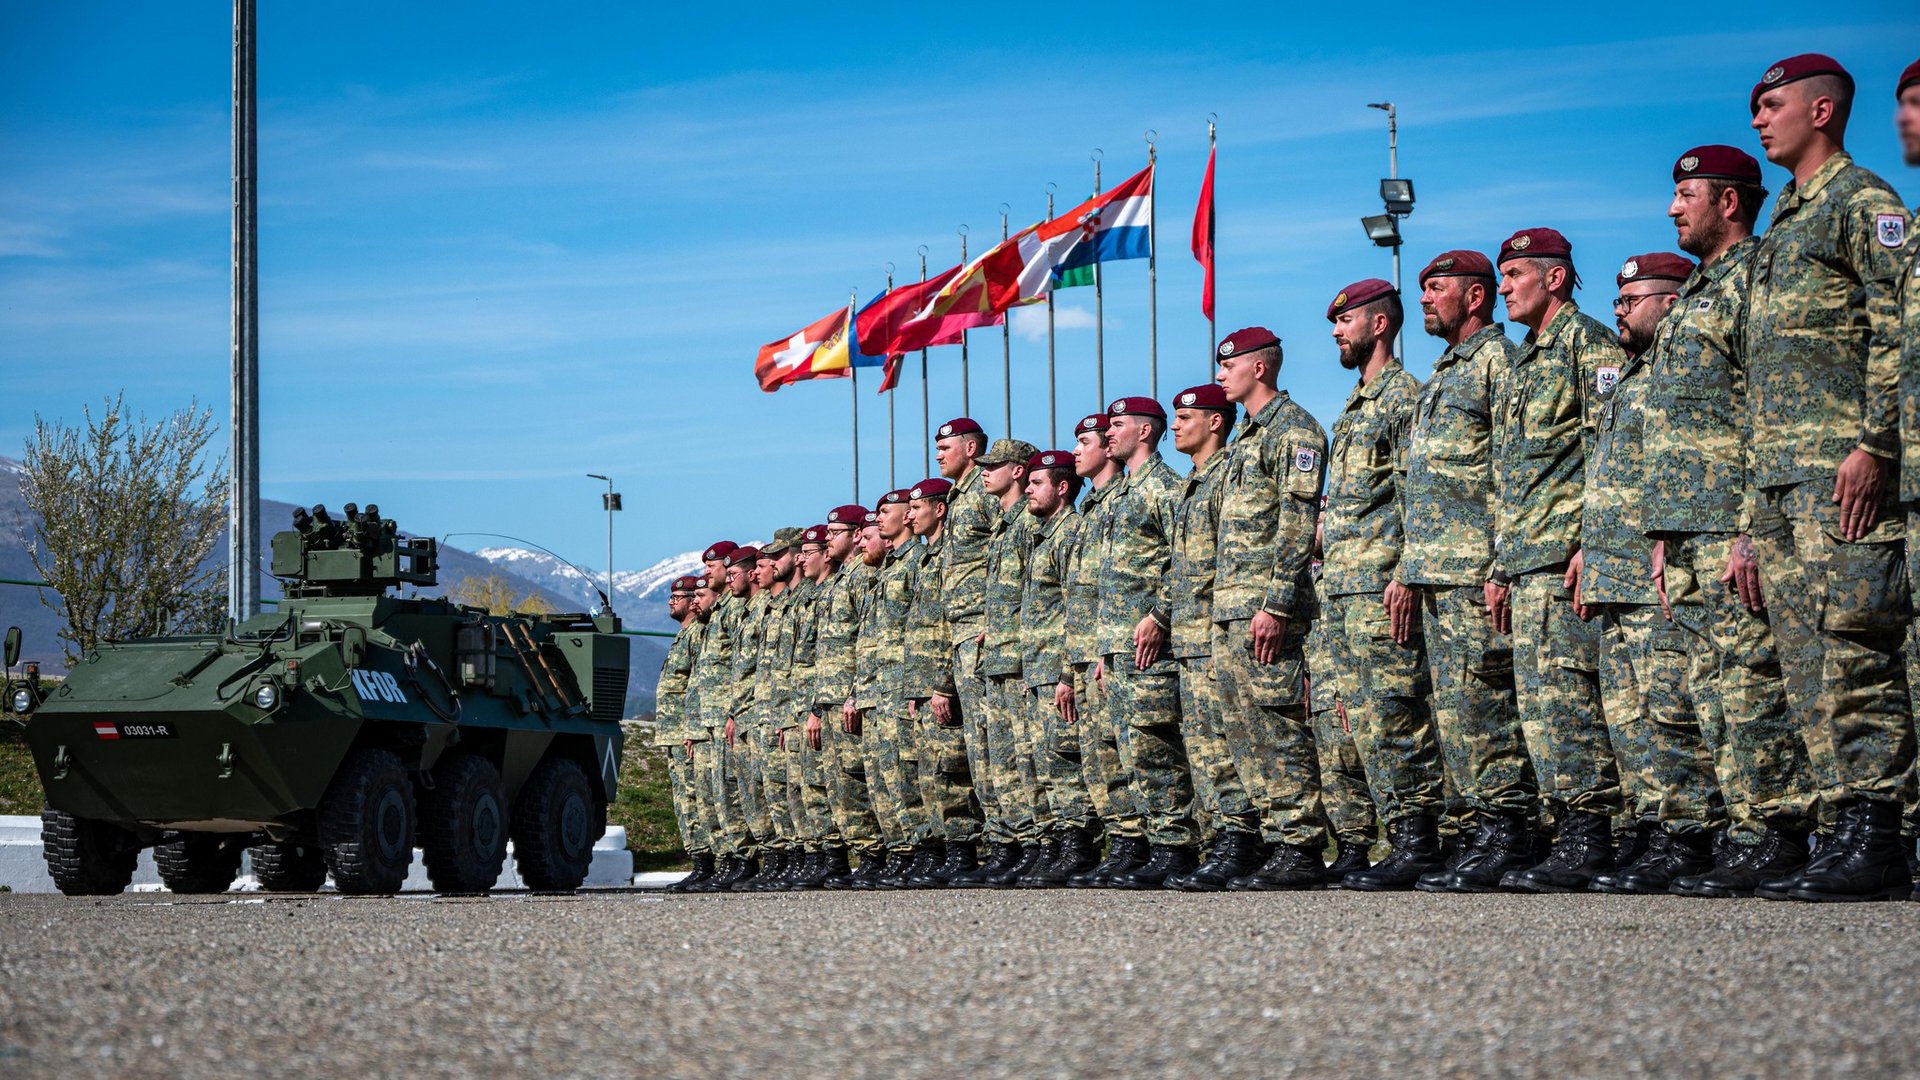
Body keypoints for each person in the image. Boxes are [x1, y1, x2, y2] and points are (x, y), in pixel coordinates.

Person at [1745, 53, 1914, 901]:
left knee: (1858, 647)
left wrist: (1875, 443)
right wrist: (1750, 510)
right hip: (1780, 480)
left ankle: (1882, 832)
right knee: (1808, 664)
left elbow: (1902, 323)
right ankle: (1842, 827)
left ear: (1822, 110)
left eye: (1771, 106)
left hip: (1840, 471)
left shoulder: (1863, 203)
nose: (1758, 120)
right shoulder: (1784, 220)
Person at [1642, 145, 1816, 898]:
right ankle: (1747, 831)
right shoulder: (1700, 296)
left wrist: (1751, 526)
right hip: (1687, 528)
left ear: (1730, 203)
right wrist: (1660, 533)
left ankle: (1780, 834)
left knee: (1752, 684)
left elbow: (1766, 405)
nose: (1674, 208)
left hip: (1730, 523)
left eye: (1687, 194)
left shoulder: (1756, 279)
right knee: (1713, 689)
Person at [1578, 252, 1729, 895]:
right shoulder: (1634, 377)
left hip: (1654, 567)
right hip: (1614, 567)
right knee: (1631, 716)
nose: (1619, 309)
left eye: (1632, 298)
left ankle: (1696, 835)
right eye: (1617, 299)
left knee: (1674, 707)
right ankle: (1659, 829)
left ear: (1671, 301)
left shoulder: (1672, 372)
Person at [1489, 226, 1627, 892]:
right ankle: (1569, 825)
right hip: (1526, 560)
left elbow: (1608, 447)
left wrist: (1590, 541)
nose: (1504, 287)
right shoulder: (1523, 360)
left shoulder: (1590, 345)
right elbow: (1510, 473)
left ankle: (1592, 833)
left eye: (1514, 273)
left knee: (1572, 700)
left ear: (1555, 278)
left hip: (1567, 555)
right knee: (1542, 708)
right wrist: (1498, 565)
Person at [1318, 279, 1446, 890]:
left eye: (1346, 322)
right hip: (1344, 590)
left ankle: (1419, 840)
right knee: (1361, 722)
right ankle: (1393, 836)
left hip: (1380, 586)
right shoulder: (1353, 405)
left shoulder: (1404, 399)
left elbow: (1416, 492)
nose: (1338, 332)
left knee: (1396, 714)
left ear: (1379, 325)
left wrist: (1405, 572)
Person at [1210, 326, 1333, 890]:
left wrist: (1278, 602)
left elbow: (1297, 521)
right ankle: (1274, 840)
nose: (1219, 375)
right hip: (1230, 608)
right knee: (1244, 730)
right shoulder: (1243, 439)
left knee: (1277, 724)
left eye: (1228, 364)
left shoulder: (1294, 431)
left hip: (1266, 607)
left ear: (1259, 368)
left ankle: (1301, 844)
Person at [1163, 384, 1268, 891]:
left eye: (1186, 416)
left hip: (1216, 630)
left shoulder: (1230, 474)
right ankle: (1226, 838)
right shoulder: (1194, 482)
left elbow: (1234, 559)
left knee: (1230, 744)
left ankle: (1243, 841)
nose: (1176, 425)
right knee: (1205, 746)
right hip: (1189, 635)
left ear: (1215, 424)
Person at [1092, 395, 1198, 887]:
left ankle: (1175, 845)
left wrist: (1160, 615)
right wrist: (1102, 649)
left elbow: (1186, 559)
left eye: (1119, 425)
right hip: (1118, 647)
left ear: (1145, 432)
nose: (1110, 433)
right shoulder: (1120, 495)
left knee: (1156, 746)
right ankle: (1155, 843)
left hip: (1151, 643)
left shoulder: (1165, 489)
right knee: (1132, 751)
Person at [1062, 413, 1149, 885]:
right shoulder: (1094, 510)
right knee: (1103, 756)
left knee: (1140, 749)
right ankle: (1125, 843)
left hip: (1129, 646)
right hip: (1095, 650)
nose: (1079, 450)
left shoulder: (1138, 495)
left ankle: (1149, 845)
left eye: (1086, 441)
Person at [961, 438, 1045, 886]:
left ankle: (1034, 842)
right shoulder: (1005, 526)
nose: (985, 472)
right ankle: (1012, 842)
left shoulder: (1029, 525)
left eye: (994, 465)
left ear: (1017, 471)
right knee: (1001, 754)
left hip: (1021, 655)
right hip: (998, 655)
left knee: (1026, 752)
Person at [1015, 450, 1100, 886]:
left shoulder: (1071, 535)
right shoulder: (1044, 537)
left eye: (1036, 483)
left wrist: (1068, 673)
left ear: (1062, 488)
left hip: (1056, 668)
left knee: (1066, 760)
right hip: (1037, 667)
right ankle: (1056, 845)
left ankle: (1078, 847)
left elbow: (1077, 610)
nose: (1027, 490)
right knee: (1043, 763)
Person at [852, 491, 936, 888]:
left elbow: (921, 628)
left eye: (886, 513)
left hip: (900, 689)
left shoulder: (917, 563)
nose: (879, 520)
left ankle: (922, 851)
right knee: (884, 777)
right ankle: (902, 852)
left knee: (907, 774)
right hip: (876, 691)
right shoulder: (886, 570)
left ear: (906, 518)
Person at [905, 476, 982, 885]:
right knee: (932, 772)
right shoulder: (928, 558)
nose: (909, 515)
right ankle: (942, 852)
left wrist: (942, 681)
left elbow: (946, 627)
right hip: (924, 681)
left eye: (917, 508)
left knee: (953, 770)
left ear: (939, 509)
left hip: (946, 676)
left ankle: (963, 851)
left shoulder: (949, 555)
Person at [932, 418, 999, 867]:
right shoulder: (960, 498)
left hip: (982, 633)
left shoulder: (985, 494)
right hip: (959, 637)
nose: (938, 454)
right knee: (976, 744)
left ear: (971, 448)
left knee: (993, 741)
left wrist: (992, 618)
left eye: (945, 446)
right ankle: (999, 842)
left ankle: (1010, 843)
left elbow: (1009, 554)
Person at [810, 504, 886, 888]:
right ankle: (858, 855)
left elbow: (865, 641)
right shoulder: (839, 580)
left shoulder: (862, 578)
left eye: (835, 531)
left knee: (861, 779)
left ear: (857, 534)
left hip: (850, 698)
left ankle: (875, 854)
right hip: (830, 698)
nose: (827, 538)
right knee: (841, 784)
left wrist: (855, 693)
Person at [657, 575, 713, 893]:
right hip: (674, 732)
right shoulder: (683, 636)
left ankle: (705, 863)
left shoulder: (696, 636)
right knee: (683, 800)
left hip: (686, 732)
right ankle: (698, 862)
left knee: (694, 798)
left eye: (677, 596)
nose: (671, 601)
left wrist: (692, 727)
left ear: (693, 600)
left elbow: (696, 686)